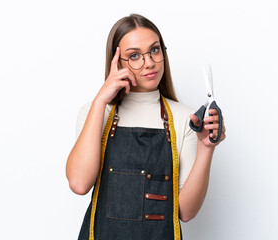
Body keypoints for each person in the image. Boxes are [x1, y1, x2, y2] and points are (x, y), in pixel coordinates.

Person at [66, 13, 226, 240]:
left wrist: (207, 148)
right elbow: (79, 184)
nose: (149, 62)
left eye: (154, 50)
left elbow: (186, 212)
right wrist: (101, 99)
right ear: (116, 62)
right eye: (134, 56)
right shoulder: (96, 112)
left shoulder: (184, 118)